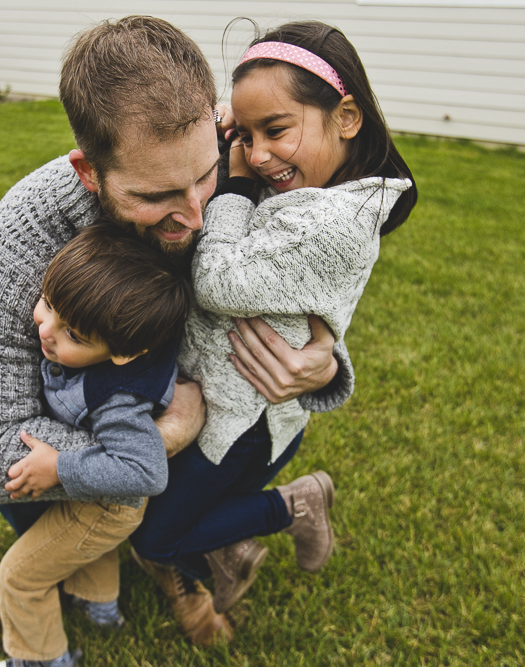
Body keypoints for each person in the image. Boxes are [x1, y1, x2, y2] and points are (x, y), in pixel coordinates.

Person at [0, 16, 347, 650]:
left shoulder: (242, 163)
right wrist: (160, 439)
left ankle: (180, 551)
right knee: (61, 484)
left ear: (216, 125)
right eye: (157, 195)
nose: (196, 213)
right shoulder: (18, 242)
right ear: (88, 172)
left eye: (206, 176)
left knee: (172, 506)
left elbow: (311, 281)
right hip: (122, 421)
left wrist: (327, 360)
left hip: (233, 418)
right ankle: (159, 544)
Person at [128, 20, 419, 614]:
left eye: (277, 130)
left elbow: (218, 279)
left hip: (245, 420)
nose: (257, 155)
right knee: (167, 505)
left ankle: (296, 505)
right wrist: (216, 132)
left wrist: (233, 184)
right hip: (216, 396)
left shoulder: (337, 223)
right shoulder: (304, 184)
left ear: (347, 116)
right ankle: (228, 556)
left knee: (157, 535)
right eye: (247, 132)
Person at [0, 223, 190, 667]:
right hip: (101, 502)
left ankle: (40, 660)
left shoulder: (117, 398)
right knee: (81, 543)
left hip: (110, 506)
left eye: (74, 336)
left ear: (123, 353)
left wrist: (62, 467)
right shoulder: (90, 339)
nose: (47, 330)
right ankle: (98, 607)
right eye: (48, 304)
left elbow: (146, 472)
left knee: (19, 577)